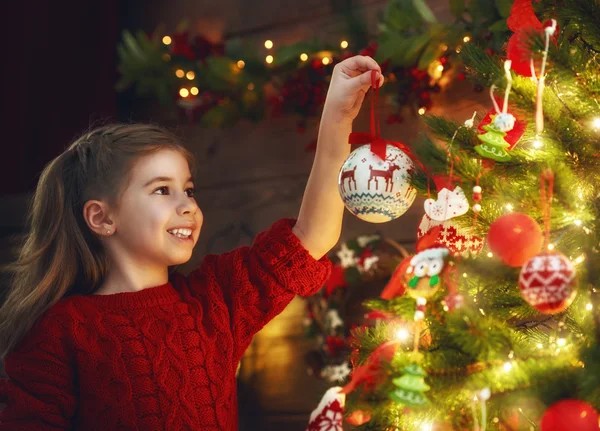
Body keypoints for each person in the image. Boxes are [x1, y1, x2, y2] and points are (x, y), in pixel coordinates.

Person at [0, 55, 384, 430]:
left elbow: (311, 236)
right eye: (162, 190)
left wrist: (337, 118)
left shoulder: (215, 300)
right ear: (102, 218)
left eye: (188, 189)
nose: (188, 206)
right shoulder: (62, 331)